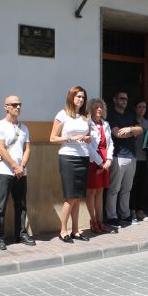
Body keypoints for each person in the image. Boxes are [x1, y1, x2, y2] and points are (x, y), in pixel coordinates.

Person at [0, 95, 35, 250]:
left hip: (21, 172)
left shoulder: (24, 128)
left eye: (19, 104)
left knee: (21, 205)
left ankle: (21, 234)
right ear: (6, 107)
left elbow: (27, 149)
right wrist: (14, 166)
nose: (18, 107)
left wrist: (21, 166)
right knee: (1, 206)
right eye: (14, 104)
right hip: (5, 170)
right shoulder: (0, 126)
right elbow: (1, 148)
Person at [50, 86, 92, 242]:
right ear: (71, 97)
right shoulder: (62, 114)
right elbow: (52, 138)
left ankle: (75, 230)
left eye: (83, 97)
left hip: (83, 157)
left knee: (78, 197)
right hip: (68, 157)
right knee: (70, 196)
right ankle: (63, 231)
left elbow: (88, 135)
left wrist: (87, 138)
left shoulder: (85, 116)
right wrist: (70, 138)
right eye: (78, 96)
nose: (81, 99)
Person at [105, 91, 143, 228]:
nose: (124, 101)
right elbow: (118, 134)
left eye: (126, 99)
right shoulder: (111, 115)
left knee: (127, 189)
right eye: (121, 98)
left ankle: (125, 215)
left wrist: (129, 129)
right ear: (115, 100)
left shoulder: (130, 115)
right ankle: (111, 217)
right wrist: (133, 132)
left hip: (131, 156)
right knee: (114, 188)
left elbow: (141, 129)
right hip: (117, 156)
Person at [86, 98, 113, 233]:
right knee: (91, 191)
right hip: (93, 160)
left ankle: (100, 220)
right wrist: (100, 162)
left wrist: (109, 159)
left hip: (104, 160)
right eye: (96, 107)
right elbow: (88, 146)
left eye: (101, 107)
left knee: (100, 191)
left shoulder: (105, 124)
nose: (99, 109)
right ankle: (93, 221)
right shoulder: (87, 124)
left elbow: (110, 143)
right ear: (91, 109)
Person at [130, 99, 148, 223]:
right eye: (140, 107)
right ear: (135, 108)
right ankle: (132, 210)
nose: (142, 109)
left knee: (144, 186)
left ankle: (140, 210)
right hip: (134, 157)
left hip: (146, 158)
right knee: (133, 186)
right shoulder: (131, 121)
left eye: (144, 107)